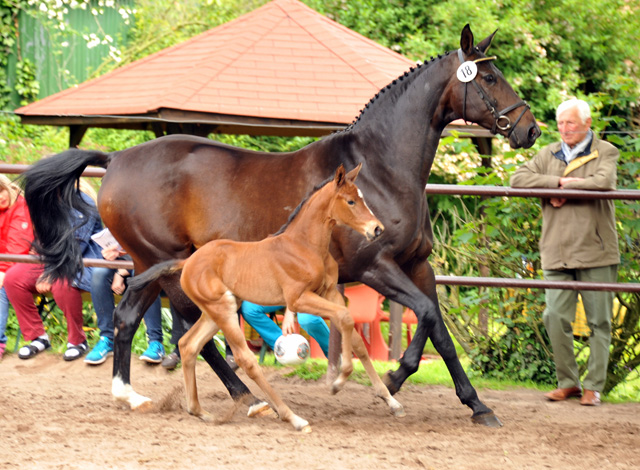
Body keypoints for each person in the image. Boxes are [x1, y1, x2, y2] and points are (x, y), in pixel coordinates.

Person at [511, 98, 620, 406]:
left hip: (596, 250)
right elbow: (518, 178)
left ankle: (593, 387)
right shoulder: (548, 153)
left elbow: (605, 181)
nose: (564, 129)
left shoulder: (607, 150)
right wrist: (557, 182)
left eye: (570, 123)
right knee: (554, 317)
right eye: (560, 123)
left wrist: (567, 192)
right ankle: (568, 383)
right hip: (556, 249)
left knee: (600, 322)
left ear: (587, 123)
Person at [5, 183, 103, 361]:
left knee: (61, 283)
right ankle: (38, 337)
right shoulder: (45, 201)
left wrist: (50, 273)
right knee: (13, 278)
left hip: (81, 261)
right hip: (50, 259)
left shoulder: (83, 203)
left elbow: (76, 246)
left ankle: (77, 341)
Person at [84, 242, 165, 365]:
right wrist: (109, 252)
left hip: (149, 263)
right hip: (121, 262)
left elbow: (154, 247)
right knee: (98, 274)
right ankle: (107, 338)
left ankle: (156, 342)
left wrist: (122, 271)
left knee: (144, 275)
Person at [0, 175, 34, 360]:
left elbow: (18, 248)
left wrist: (2, 271)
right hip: (4, 264)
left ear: (8, 187)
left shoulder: (21, 207)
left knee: (2, 285)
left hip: (22, 264)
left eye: (1, 191)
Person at [239, 300, 331, 361]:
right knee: (248, 308)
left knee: (307, 319)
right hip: (281, 292)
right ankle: (286, 349)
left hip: (307, 291)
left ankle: (335, 356)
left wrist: (290, 310)